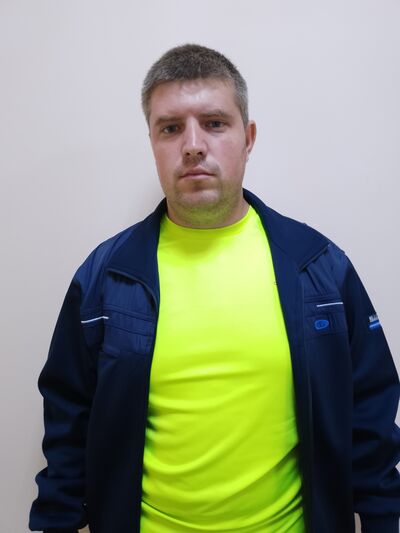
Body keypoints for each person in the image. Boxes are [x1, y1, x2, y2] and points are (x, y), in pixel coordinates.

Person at [29, 44, 400, 533]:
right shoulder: (105, 277)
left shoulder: (319, 267)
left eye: (214, 123)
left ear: (248, 138)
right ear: (152, 142)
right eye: (170, 128)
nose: (192, 145)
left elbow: (371, 419)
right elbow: (66, 428)